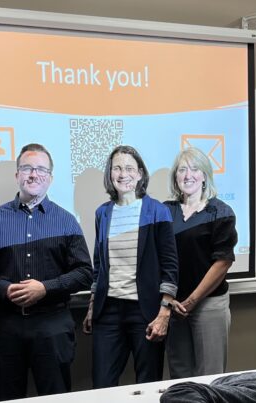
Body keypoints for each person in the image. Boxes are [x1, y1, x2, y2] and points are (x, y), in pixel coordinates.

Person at [0, 143, 92, 400]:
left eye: (41, 169)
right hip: (5, 326)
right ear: (17, 175)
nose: (34, 174)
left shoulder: (66, 220)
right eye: (27, 168)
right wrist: (5, 289)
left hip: (52, 325)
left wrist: (45, 288)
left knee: (55, 397)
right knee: (6, 396)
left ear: (50, 178)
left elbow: (85, 272)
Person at [83, 145, 179, 388]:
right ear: (110, 174)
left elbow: (170, 265)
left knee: (148, 384)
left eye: (129, 168)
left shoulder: (157, 211)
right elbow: (99, 266)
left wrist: (164, 312)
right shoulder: (102, 213)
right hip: (108, 312)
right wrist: (92, 306)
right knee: (102, 385)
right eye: (117, 168)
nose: (122, 174)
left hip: (145, 312)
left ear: (139, 174)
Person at [164, 147, 237, 378]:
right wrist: (170, 302)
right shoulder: (166, 211)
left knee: (210, 376)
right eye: (182, 169)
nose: (188, 175)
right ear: (175, 177)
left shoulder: (220, 212)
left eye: (195, 169)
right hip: (174, 307)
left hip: (208, 304)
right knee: (179, 375)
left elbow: (223, 262)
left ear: (205, 175)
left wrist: (193, 300)